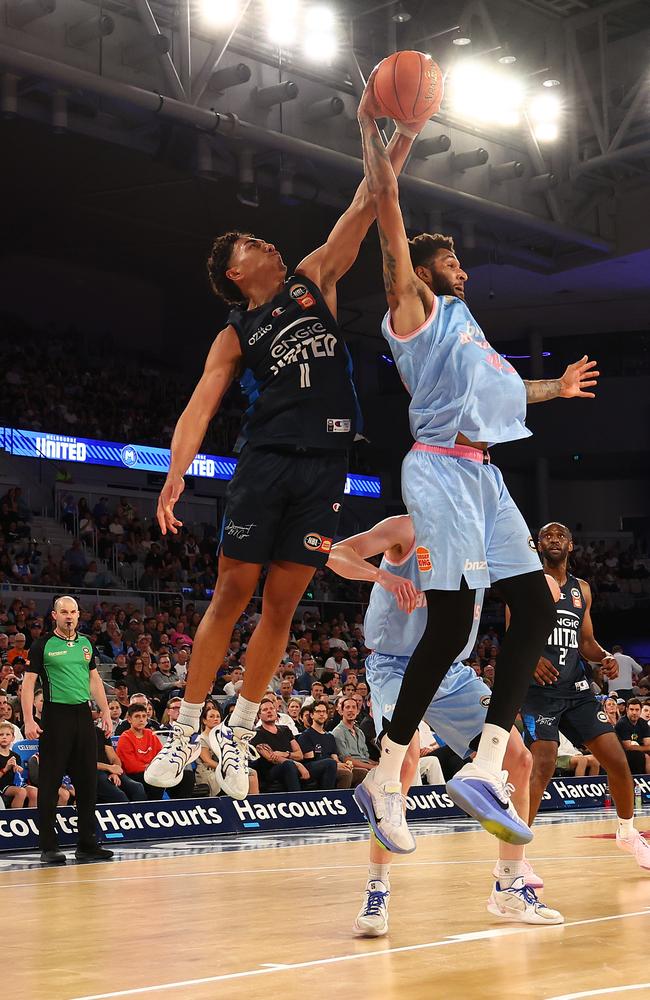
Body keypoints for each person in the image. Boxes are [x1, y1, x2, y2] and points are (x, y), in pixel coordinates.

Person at [353, 75, 600, 853]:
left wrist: (554, 389)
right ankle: (387, 766)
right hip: (438, 471)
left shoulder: (469, 329)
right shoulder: (415, 309)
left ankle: (489, 761)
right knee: (453, 618)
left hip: (485, 474)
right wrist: (380, 128)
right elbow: (388, 211)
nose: (463, 267)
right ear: (424, 272)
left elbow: (503, 388)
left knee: (532, 606)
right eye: (451, 259)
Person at [143, 119, 426, 798]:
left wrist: (398, 129)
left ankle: (238, 731)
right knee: (233, 592)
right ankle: (186, 729)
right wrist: (176, 470)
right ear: (235, 273)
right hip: (266, 458)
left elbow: (368, 200)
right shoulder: (234, 332)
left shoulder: (312, 279)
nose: (263, 239)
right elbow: (199, 405)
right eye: (248, 243)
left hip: (325, 462)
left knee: (282, 604)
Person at [327, 514, 563, 933]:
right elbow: (337, 554)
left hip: (452, 672)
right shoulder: (406, 527)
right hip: (395, 665)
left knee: (517, 757)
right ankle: (376, 892)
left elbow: (543, 585)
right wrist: (383, 577)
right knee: (402, 760)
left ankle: (509, 885)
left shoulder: (486, 536)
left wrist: (540, 586)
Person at [521, 523, 650, 872]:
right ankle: (518, 857)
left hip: (576, 690)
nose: (554, 540)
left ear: (571, 545)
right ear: (537, 545)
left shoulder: (582, 590)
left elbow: (586, 642)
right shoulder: (528, 584)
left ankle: (626, 832)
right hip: (539, 694)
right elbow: (512, 634)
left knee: (618, 762)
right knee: (543, 764)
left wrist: (605, 657)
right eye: (547, 536)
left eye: (560, 536)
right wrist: (532, 658)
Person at [21, 596, 114, 864]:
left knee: (87, 781)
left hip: (83, 715)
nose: (69, 616)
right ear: (54, 615)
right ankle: (48, 846)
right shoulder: (43, 645)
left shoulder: (86, 644)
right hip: (55, 715)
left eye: (73, 611)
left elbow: (94, 679)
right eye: (64, 612)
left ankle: (87, 843)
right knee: (50, 783)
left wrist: (105, 712)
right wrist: (29, 719)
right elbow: (28, 685)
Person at [298, 700, 353, 789]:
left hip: (331, 765)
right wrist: (335, 764)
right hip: (312, 767)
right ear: (312, 715)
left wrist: (343, 765)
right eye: (318, 711)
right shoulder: (305, 735)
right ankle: (331, 799)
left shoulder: (330, 736)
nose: (322, 714)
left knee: (361, 772)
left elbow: (335, 758)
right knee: (341, 771)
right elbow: (311, 758)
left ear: (327, 715)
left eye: (324, 712)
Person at [116, 705, 165, 800]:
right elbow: (131, 767)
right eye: (137, 716)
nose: (141, 719)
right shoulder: (125, 737)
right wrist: (152, 768)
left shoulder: (151, 734)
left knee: (185, 776)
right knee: (156, 780)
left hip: (151, 772)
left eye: (144, 716)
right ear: (129, 719)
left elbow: (161, 756)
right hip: (133, 776)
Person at [0, 722, 37, 808]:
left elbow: (19, 776)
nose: (4, 737)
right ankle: (14, 817)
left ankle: (31, 819)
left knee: (34, 792)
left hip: (16, 784)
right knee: (21, 792)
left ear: (13, 738)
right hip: (3, 785)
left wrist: (18, 770)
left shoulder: (16, 756)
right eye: (1, 734)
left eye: (7, 734)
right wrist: (5, 769)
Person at [615, 699, 650, 776]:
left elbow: (648, 744)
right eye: (631, 709)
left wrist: (640, 748)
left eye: (637, 710)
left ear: (640, 711)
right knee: (639, 755)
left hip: (637, 751)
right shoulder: (622, 723)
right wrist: (643, 749)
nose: (634, 712)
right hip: (621, 753)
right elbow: (627, 747)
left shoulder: (643, 723)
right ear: (627, 710)